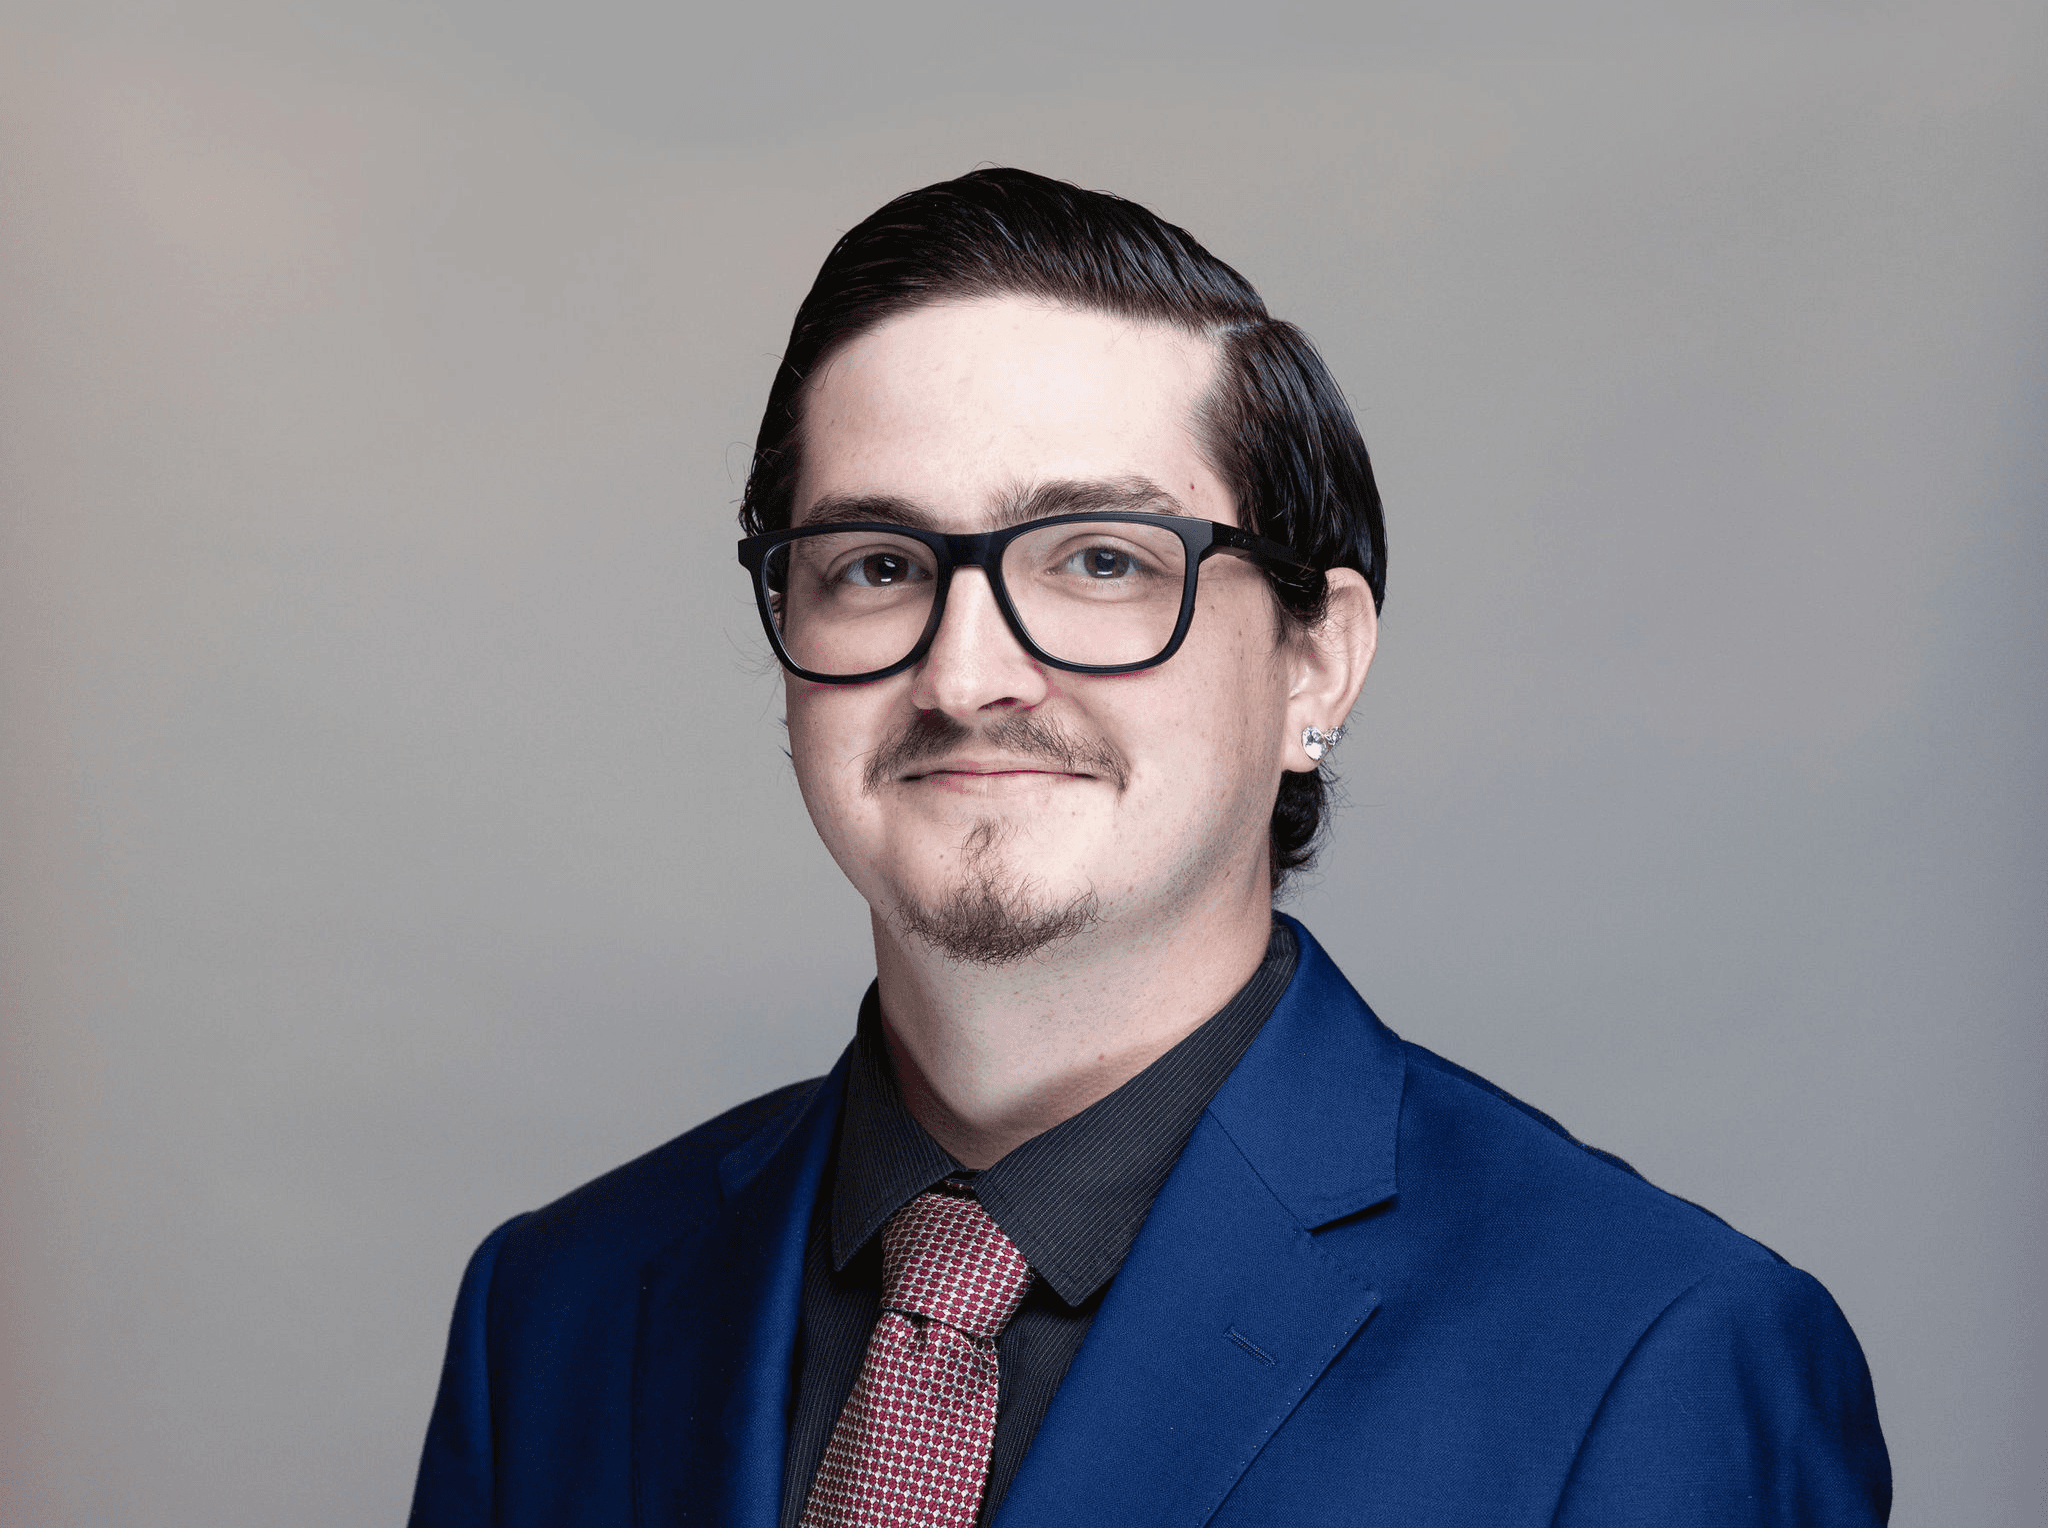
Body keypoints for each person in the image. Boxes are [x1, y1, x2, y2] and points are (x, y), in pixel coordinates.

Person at [408, 168, 1890, 1527]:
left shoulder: (1650, 1351)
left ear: (1317, 661)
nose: (966, 673)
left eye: (1103, 560)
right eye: (877, 566)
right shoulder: (555, 1310)